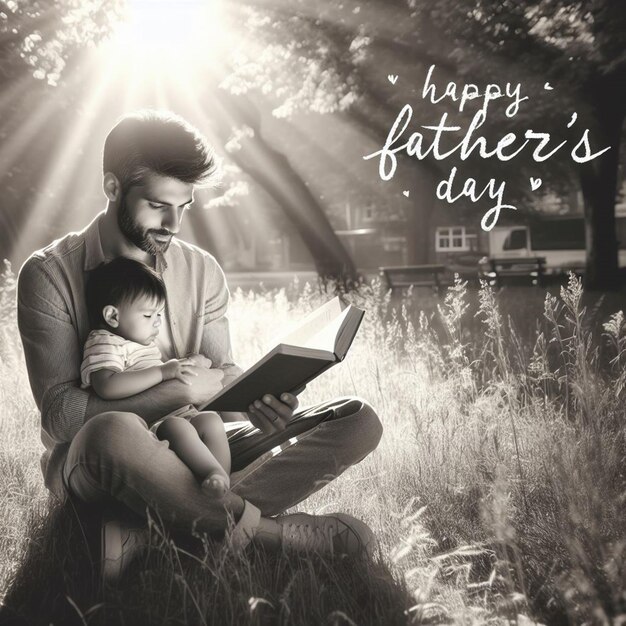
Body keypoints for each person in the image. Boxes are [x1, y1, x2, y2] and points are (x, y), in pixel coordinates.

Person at [17, 109, 383, 582]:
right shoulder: (48, 274)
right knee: (113, 430)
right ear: (112, 188)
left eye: (184, 206)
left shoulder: (202, 270)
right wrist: (178, 390)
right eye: (157, 205)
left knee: (358, 420)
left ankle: (150, 534)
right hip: (102, 462)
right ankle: (278, 537)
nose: (173, 223)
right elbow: (62, 419)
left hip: (201, 450)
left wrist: (255, 407)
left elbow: (220, 390)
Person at [81, 256, 231, 497]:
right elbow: (106, 386)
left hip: (182, 413)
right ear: (112, 316)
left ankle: (220, 482)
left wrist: (187, 365)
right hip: (153, 426)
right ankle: (213, 473)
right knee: (177, 427)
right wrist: (162, 372)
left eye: (159, 315)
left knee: (211, 420)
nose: (157, 323)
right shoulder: (105, 341)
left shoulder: (141, 344)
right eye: (148, 316)